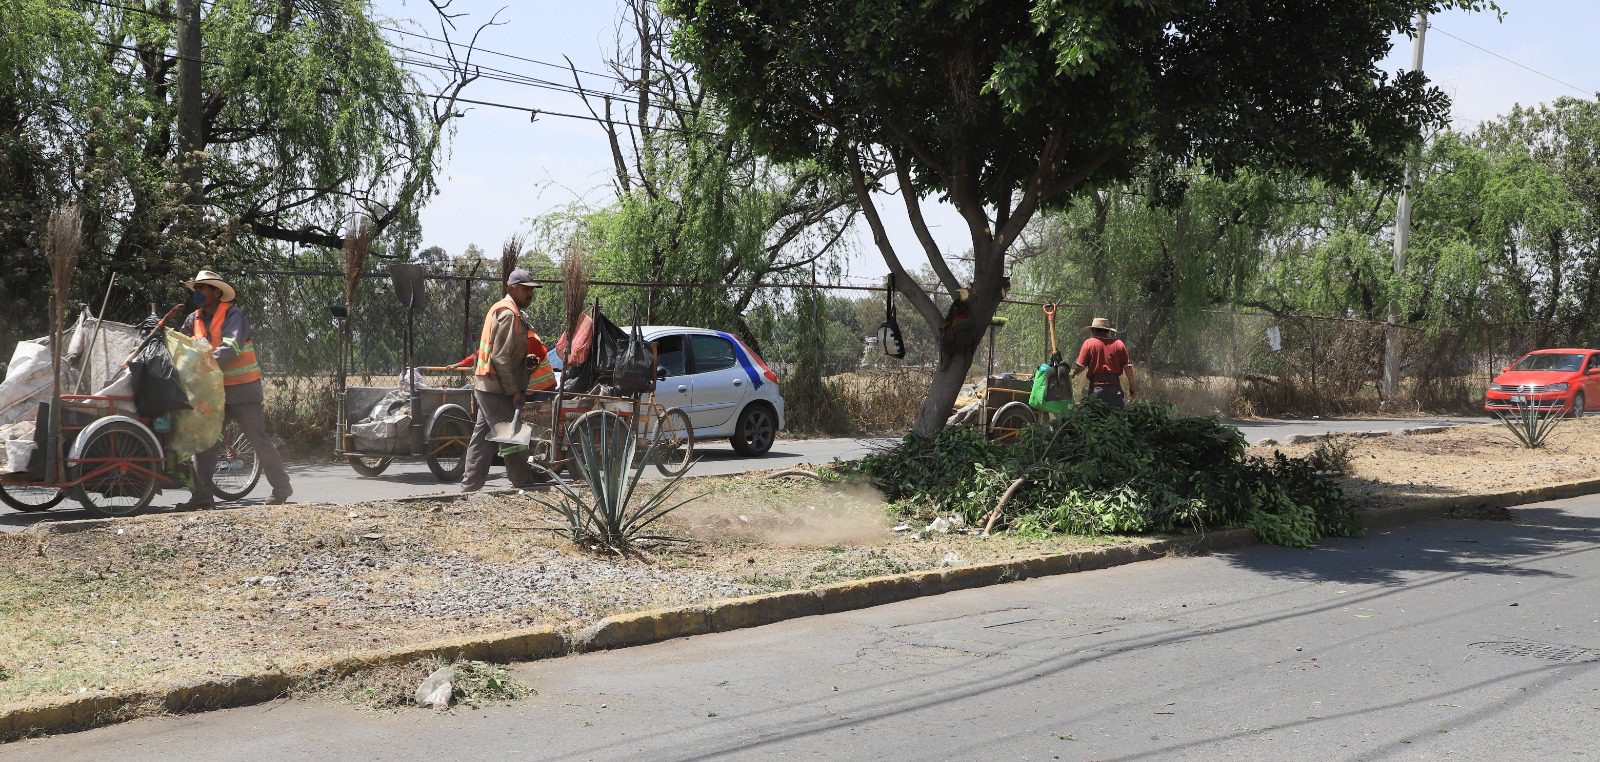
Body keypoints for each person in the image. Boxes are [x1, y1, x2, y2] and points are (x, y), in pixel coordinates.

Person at [177, 270, 294, 507]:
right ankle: (202, 496)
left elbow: (231, 348)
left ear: (216, 292)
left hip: (242, 390)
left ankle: (282, 488)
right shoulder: (193, 319)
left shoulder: (233, 314)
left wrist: (201, 360)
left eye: (203, 288)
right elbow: (183, 345)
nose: (198, 293)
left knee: (258, 439)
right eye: (196, 289)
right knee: (206, 441)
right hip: (213, 391)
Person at [460, 268, 544, 492]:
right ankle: (524, 484)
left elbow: (503, 354)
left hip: (487, 385)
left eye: (531, 290)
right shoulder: (509, 314)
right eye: (525, 289)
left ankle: (469, 487)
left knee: (482, 440)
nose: (530, 294)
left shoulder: (504, 310)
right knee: (513, 436)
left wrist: (525, 361)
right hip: (497, 389)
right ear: (512, 289)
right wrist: (514, 390)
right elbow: (500, 357)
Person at [1073, 317, 1136, 409]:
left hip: (1096, 388)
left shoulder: (1089, 343)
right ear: (1107, 331)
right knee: (1118, 418)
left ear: (1093, 330)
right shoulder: (1119, 344)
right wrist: (1132, 386)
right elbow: (1128, 368)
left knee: (1096, 419)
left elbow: (1081, 367)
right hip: (1115, 388)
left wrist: (1073, 374)